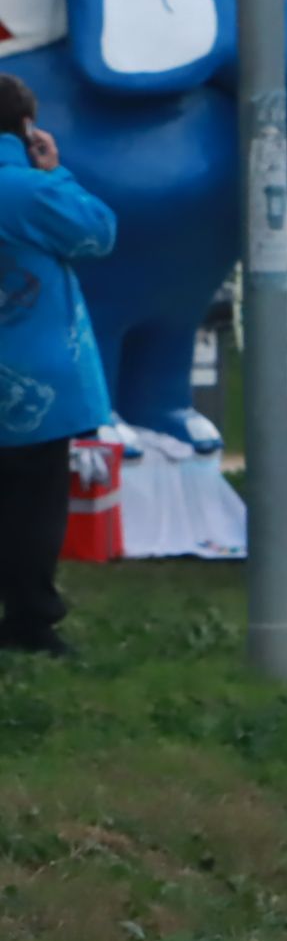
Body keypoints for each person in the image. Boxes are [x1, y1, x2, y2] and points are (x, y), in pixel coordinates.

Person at [0, 72, 116, 658]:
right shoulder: (30, 191)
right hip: (32, 383)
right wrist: (56, 170)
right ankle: (28, 620)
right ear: (25, 127)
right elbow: (99, 234)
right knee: (31, 503)